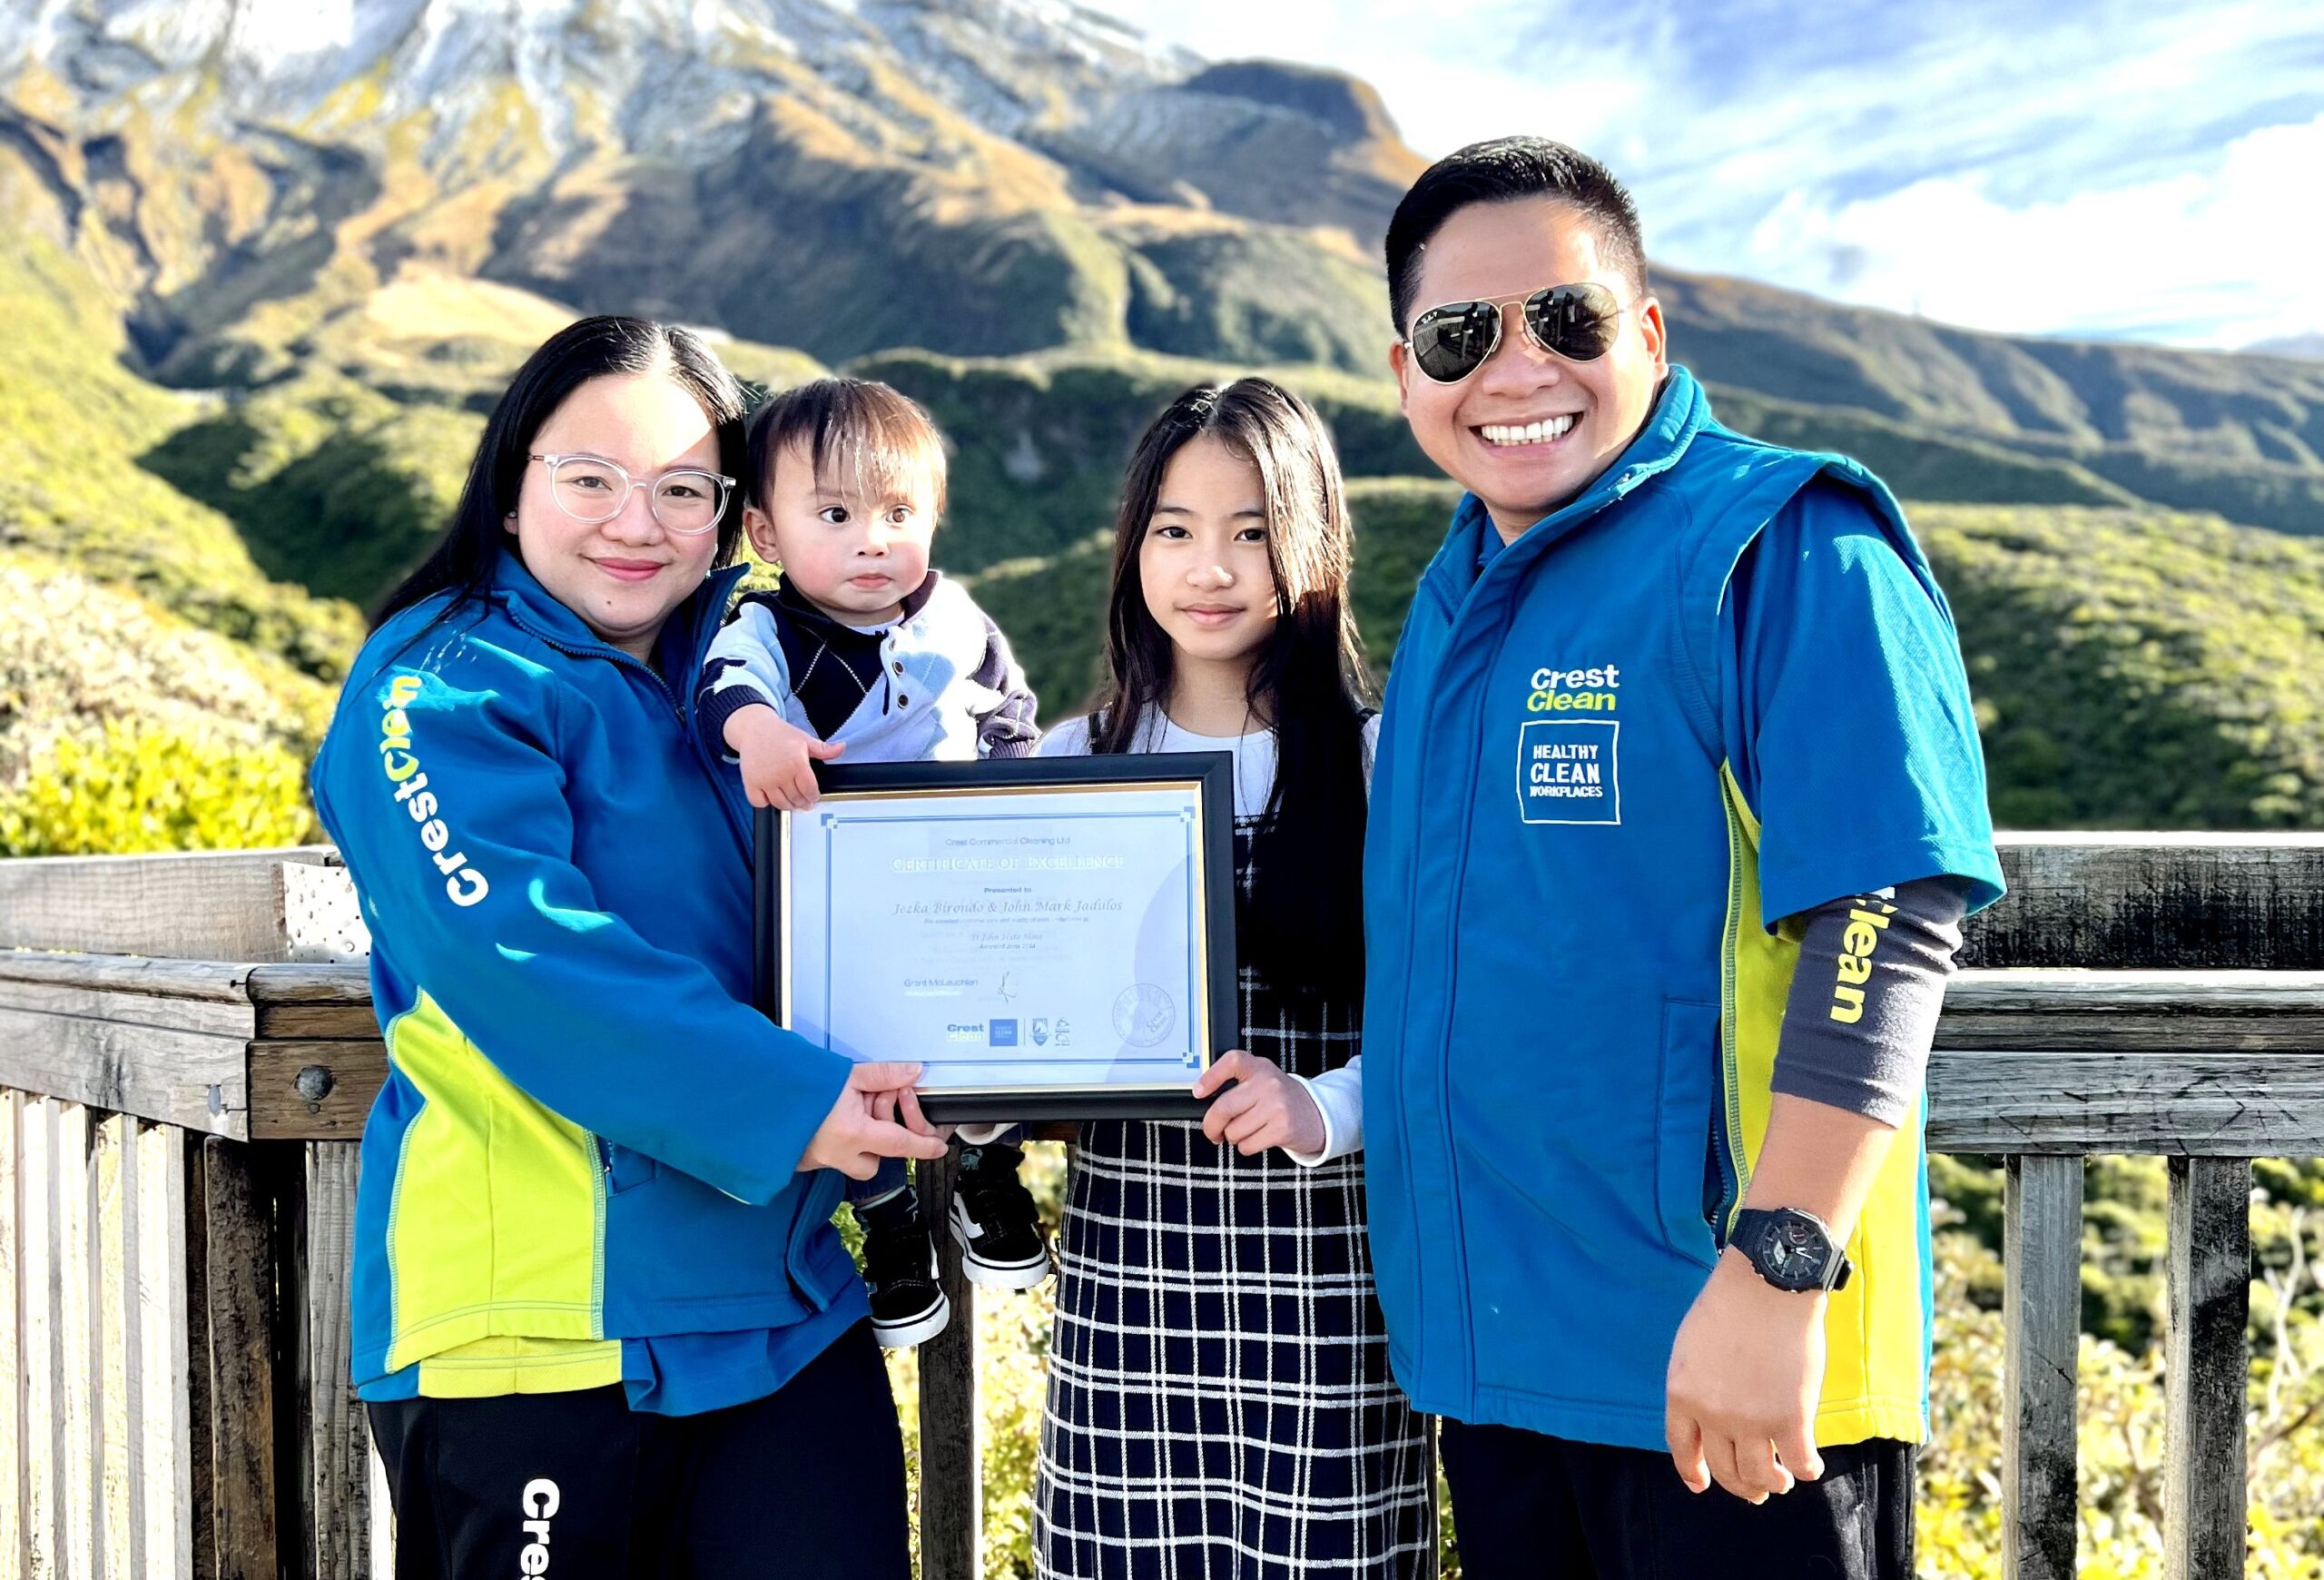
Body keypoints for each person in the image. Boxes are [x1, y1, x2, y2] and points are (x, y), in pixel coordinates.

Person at [1360, 138, 2005, 1579]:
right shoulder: (1460, 593)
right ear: (1406, 373)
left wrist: (1777, 1273)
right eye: (1463, 336)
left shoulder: (1785, 543)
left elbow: (1890, 912)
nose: (1519, 372)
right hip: (1505, 1374)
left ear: (1647, 335)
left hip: (1729, 1371)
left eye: (1570, 322)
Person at [311, 316, 948, 1579]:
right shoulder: (436, 684)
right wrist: (801, 1102)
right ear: (510, 487)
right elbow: (521, 954)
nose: (635, 523)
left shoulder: (765, 673)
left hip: (784, 1310)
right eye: (589, 477)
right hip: (534, 1331)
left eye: (681, 489)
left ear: (731, 515)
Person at [1029, 380, 1433, 1578]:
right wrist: (978, 1087)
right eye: (1175, 529)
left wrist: (1326, 1106)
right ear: (1131, 548)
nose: (1211, 567)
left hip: (1324, 1282)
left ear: (1310, 543)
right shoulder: (1069, 764)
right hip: (1127, 1276)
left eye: (1251, 531)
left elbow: (1445, 1006)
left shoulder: (1377, 761)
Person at [696, 375, 1050, 1349]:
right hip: (830, 905)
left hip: (955, 887)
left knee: (991, 1031)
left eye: (898, 513)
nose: (871, 540)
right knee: (845, 1061)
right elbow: (725, 689)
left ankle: (989, 1172)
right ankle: (889, 1221)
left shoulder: (958, 622)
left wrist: (1019, 811)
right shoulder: (768, 627)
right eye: (836, 513)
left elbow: (1011, 721)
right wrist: (759, 729)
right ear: (767, 535)